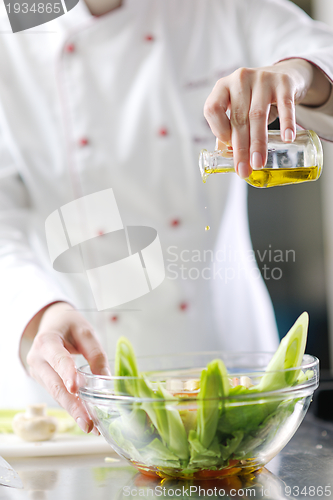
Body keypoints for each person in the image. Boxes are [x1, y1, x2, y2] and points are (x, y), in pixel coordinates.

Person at [1, 0, 333, 435]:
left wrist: (296, 74)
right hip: (77, 378)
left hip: (230, 369)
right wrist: (37, 311)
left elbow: (316, 47)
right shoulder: (14, 25)